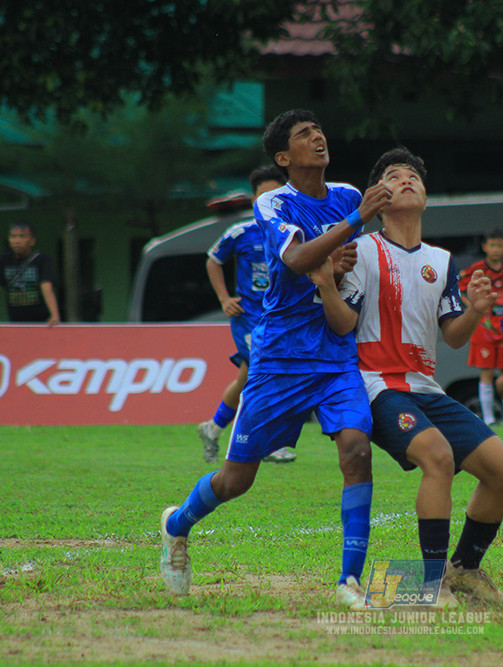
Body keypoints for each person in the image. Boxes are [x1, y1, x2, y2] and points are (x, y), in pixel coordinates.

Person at [158, 109, 392, 609]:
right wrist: (350, 230)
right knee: (235, 480)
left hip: (334, 354)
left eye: (320, 129)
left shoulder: (348, 195)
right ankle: (177, 525)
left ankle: (348, 581)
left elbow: (340, 262)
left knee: (356, 448)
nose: (319, 136)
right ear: (284, 157)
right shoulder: (274, 203)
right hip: (280, 360)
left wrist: (347, 257)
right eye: (305, 134)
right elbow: (296, 260)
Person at [310, 147, 503, 607]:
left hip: (425, 388)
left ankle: (465, 569)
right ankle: (431, 586)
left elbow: (452, 337)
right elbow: (343, 324)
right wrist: (327, 285)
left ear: (425, 195)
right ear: (378, 197)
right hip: (377, 386)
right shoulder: (362, 251)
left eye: (414, 176)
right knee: (439, 457)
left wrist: (477, 311)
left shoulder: (442, 262)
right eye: (393, 176)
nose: (406, 180)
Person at [196, 165, 296, 464]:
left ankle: (212, 429)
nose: (267, 202)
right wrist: (224, 298)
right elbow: (213, 260)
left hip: (279, 316)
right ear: (254, 199)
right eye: (262, 196)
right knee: (266, 372)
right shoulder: (240, 232)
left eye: (274, 196)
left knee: (245, 377)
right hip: (249, 317)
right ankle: (267, 443)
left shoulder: (292, 232)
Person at [458, 228, 503, 426]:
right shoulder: (477, 268)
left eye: (499, 245)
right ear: (485, 247)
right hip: (484, 325)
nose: (495, 249)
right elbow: (459, 289)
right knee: (486, 371)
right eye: (492, 245)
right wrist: (475, 308)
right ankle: (488, 418)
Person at [0, 221, 59, 325]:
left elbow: (46, 286)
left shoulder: (42, 260)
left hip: (40, 321)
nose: (17, 241)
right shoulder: (4, 260)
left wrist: (54, 316)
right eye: (13, 236)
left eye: (22, 236)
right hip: (15, 321)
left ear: (32, 241)